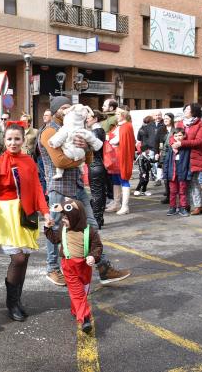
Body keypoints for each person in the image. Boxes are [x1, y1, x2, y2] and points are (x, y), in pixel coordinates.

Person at [40, 96, 130, 285]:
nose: (66, 110)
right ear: (55, 110)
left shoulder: (76, 127)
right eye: (63, 107)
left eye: (68, 107)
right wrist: (81, 158)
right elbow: (59, 161)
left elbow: (89, 160)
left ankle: (103, 267)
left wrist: (86, 148)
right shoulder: (50, 132)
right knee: (55, 228)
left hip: (78, 187)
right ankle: (52, 268)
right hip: (59, 188)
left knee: (92, 226)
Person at [0, 123, 51, 321]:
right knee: (18, 259)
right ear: (3, 141)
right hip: (6, 214)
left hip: (27, 211)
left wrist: (46, 212)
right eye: (9, 139)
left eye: (17, 139)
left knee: (25, 258)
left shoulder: (29, 161)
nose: (13, 142)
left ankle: (17, 301)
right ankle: (11, 303)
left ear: (23, 140)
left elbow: (37, 189)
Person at [45, 199, 103, 334]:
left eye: (66, 217)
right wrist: (47, 228)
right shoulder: (63, 229)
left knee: (83, 291)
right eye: (63, 216)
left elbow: (98, 246)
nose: (63, 220)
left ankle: (75, 309)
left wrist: (93, 256)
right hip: (69, 266)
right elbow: (54, 239)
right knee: (78, 292)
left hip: (84, 267)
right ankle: (85, 319)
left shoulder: (90, 231)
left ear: (76, 216)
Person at [172, 103, 202, 215]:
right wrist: (173, 144)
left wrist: (181, 143)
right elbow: (172, 137)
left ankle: (198, 206)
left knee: (193, 182)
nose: (185, 110)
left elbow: (199, 141)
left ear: (194, 111)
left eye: (188, 109)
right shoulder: (180, 123)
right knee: (183, 181)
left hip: (195, 157)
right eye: (185, 108)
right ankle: (185, 204)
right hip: (182, 157)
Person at [104, 107, 136, 215]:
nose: (116, 116)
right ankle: (117, 203)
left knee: (124, 180)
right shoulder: (120, 126)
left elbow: (116, 140)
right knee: (116, 180)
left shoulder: (126, 126)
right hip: (115, 157)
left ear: (123, 114)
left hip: (121, 156)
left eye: (118, 114)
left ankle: (125, 206)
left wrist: (109, 139)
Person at [163, 128, 192, 217]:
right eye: (175, 136)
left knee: (182, 192)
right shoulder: (171, 149)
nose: (178, 137)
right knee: (172, 192)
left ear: (184, 136)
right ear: (173, 137)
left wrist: (188, 174)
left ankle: (182, 208)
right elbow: (167, 162)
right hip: (172, 175)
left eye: (180, 135)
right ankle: (172, 207)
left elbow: (189, 163)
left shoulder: (187, 149)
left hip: (182, 174)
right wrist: (165, 174)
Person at [87, 110, 107, 229]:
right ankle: (99, 218)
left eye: (89, 117)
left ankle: (97, 219)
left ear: (95, 118)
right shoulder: (100, 130)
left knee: (96, 193)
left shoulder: (95, 131)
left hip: (95, 164)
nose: (87, 119)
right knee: (100, 192)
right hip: (99, 164)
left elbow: (93, 149)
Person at [159, 113, 176, 204]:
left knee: (172, 177)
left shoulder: (175, 130)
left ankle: (173, 196)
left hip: (173, 155)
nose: (165, 120)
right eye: (164, 118)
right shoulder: (162, 129)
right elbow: (158, 142)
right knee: (165, 177)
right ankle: (168, 196)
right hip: (164, 156)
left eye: (167, 118)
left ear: (171, 119)